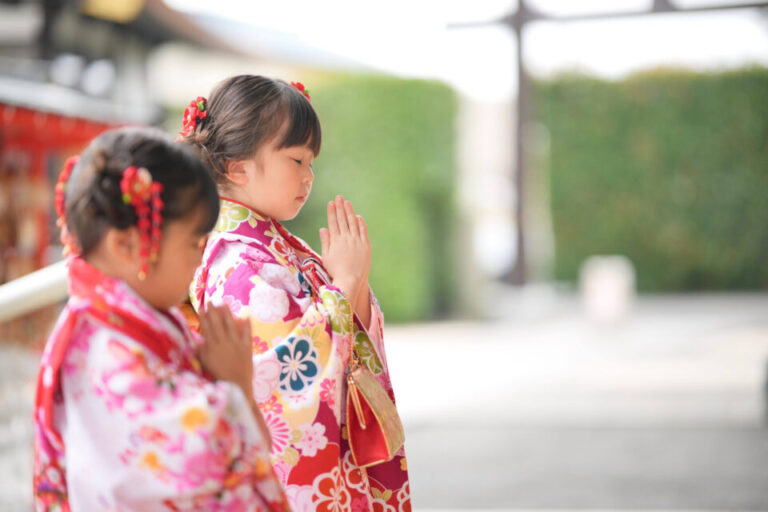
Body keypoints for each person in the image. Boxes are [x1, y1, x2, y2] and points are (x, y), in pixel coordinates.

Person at [182, 75, 411, 511]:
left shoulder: (271, 245)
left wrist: (354, 285)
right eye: (296, 160)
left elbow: (344, 333)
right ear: (238, 167)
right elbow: (280, 379)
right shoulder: (236, 264)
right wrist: (343, 285)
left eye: (311, 163)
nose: (308, 176)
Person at [33, 127, 289, 511]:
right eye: (192, 243)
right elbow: (197, 444)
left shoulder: (122, 322)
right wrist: (234, 388)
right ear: (126, 245)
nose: (199, 259)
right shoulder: (98, 346)